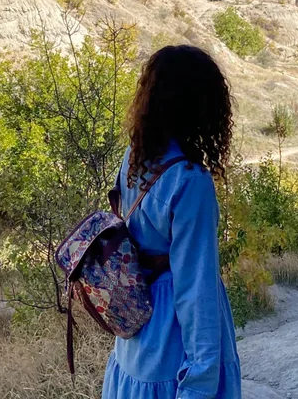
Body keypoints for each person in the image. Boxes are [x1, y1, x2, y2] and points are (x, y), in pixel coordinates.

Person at [102, 45, 242, 399]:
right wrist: (201, 379)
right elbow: (196, 289)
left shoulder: (134, 157)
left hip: (136, 328)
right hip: (172, 336)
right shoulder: (190, 181)